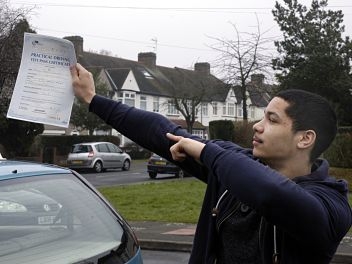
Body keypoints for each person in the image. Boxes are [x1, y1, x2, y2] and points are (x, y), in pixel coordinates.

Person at [71, 63, 352, 264]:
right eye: (262, 116)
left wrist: (207, 153)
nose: (257, 126)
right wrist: (93, 99)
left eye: (272, 119)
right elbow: (160, 131)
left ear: (305, 139)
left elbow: (272, 194)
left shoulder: (331, 207)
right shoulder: (233, 165)